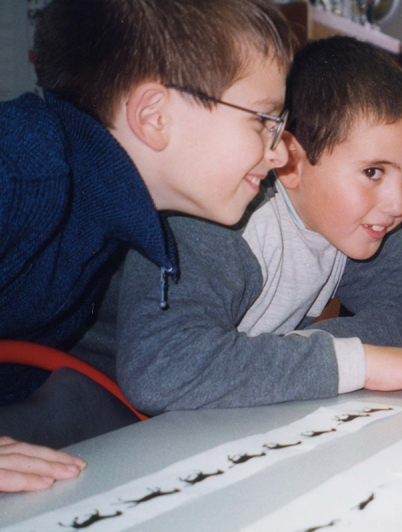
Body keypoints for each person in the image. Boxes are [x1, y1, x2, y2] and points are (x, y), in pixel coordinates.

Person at [101, 36, 402, 416]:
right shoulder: (219, 220)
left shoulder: (359, 223)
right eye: (374, 171)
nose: (398, 204)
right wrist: (356, 362)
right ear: (290, 162)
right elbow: (161, 370)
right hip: (94, 409)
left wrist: (291, 356)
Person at [0, 0, 294, 491]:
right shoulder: (21, 171)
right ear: (154, 117)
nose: (280, 149)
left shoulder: (108, 213)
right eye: (262, 120)